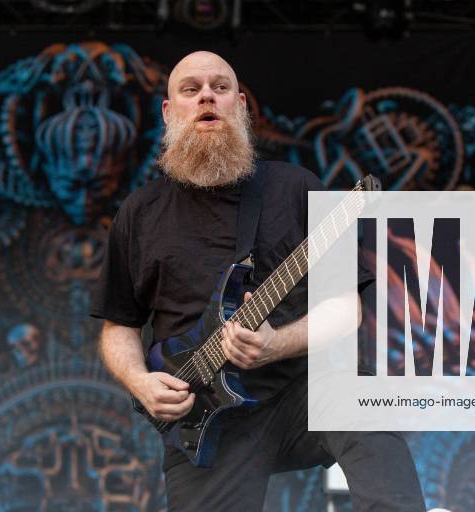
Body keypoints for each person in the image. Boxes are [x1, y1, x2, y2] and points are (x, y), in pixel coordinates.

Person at [90, 50, 425, 512]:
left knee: (359, 394)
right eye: (191, 89)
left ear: (241, 105)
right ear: (170, 112)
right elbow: (119, 326)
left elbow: (346, 308)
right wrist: (140, 382)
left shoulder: (295, 188)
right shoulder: (140, 213)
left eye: (220, 88)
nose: (207, 95)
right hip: (206, 422)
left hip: (300, 394)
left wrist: (276, 344)